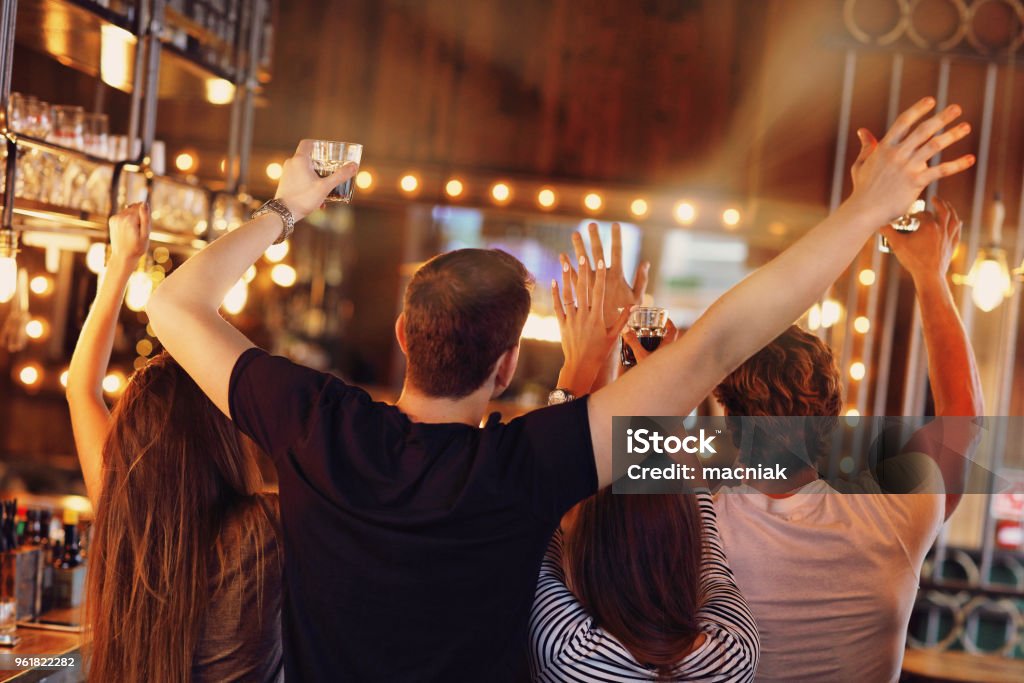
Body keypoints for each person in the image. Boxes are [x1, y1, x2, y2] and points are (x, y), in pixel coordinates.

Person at [146, 98, 973, 681]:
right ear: (507, 364)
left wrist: (288, 204)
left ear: (403, 335)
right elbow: (723, 339)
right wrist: (866, 210)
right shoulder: (524, 467)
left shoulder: (313, 424)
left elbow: (173, 304)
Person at [705, 198, 982, 682]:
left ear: (729, 419)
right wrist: (930, 275)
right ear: (832, 419)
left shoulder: (693, 525)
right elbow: (963, 416)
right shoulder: (894, 515)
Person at [65, 204, 283, 683]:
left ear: (132, 431)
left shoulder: (123, 511)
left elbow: (81, 386)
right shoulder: (265, 526)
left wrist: (121, 264)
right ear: (224, 432)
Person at [528, 225, 756, 681]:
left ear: (586, 547)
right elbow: (706, 534)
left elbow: (540, 509)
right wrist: (658, 397)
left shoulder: (565, 650)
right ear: (687, 543)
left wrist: (585, 360)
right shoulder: (733, 655)